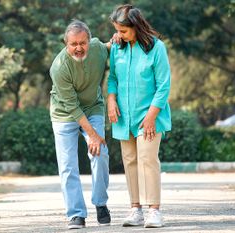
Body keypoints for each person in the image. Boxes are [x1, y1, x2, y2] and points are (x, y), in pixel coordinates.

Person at [107, 4, 172, 228]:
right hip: (124, 116)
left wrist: (152, 115)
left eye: (124, 31)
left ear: (136, 26)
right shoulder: (118, 47)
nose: (120, 35)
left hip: (150, 115)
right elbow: (113, 77)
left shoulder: (157, 48)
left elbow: (164, 85)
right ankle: (135, 209)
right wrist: (111, 99)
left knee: (147, 159)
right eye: (118, 31)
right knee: (130, 161)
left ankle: (154, 210)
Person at [49, 19, 112, 229]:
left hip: (93, 106)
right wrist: (92, 134)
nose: (78, 48)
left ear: (89, 40)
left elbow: (109, 48)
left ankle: (101, 204)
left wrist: (116, 40)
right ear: (66, 44)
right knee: (68, 165)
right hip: (64, 114)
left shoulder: (97, 48)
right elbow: (73, 108)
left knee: (100, 153)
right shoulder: (59, 67)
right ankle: (76, 214)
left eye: (82, 43)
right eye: (73, 44)